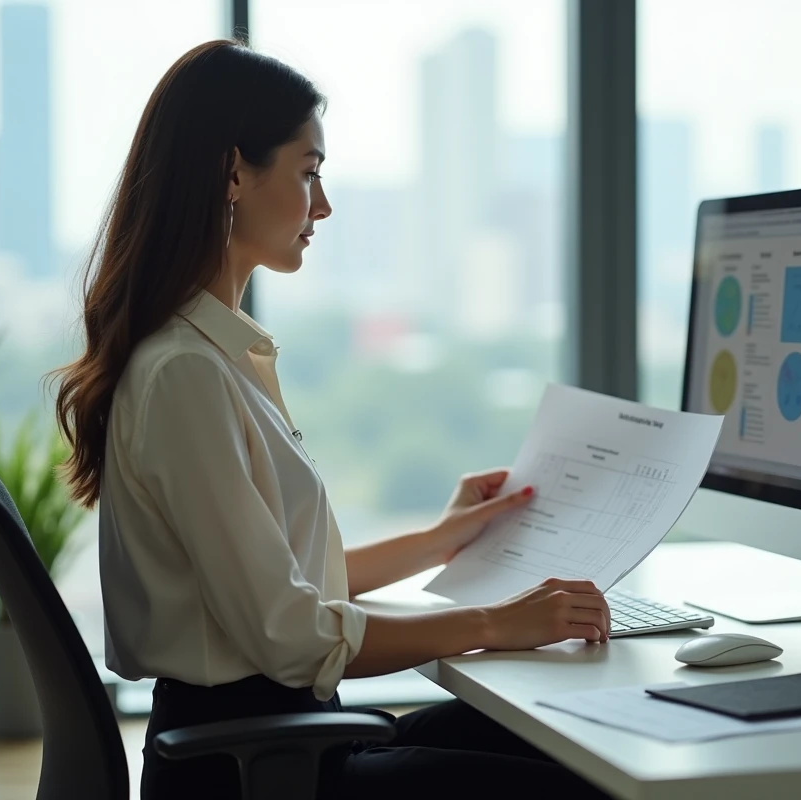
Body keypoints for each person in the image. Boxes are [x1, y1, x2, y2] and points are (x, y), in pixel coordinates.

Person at [53, 39, 612, 800]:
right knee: (581, 781)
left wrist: (438, 540)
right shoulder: (187, 374)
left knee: (574, 744)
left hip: (277, 740)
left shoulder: (213, 359)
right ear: (233, 172)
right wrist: (493, 624)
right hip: (252, 768)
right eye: (308, 173)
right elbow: (290, 634)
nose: (323, 204)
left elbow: (276, 583)